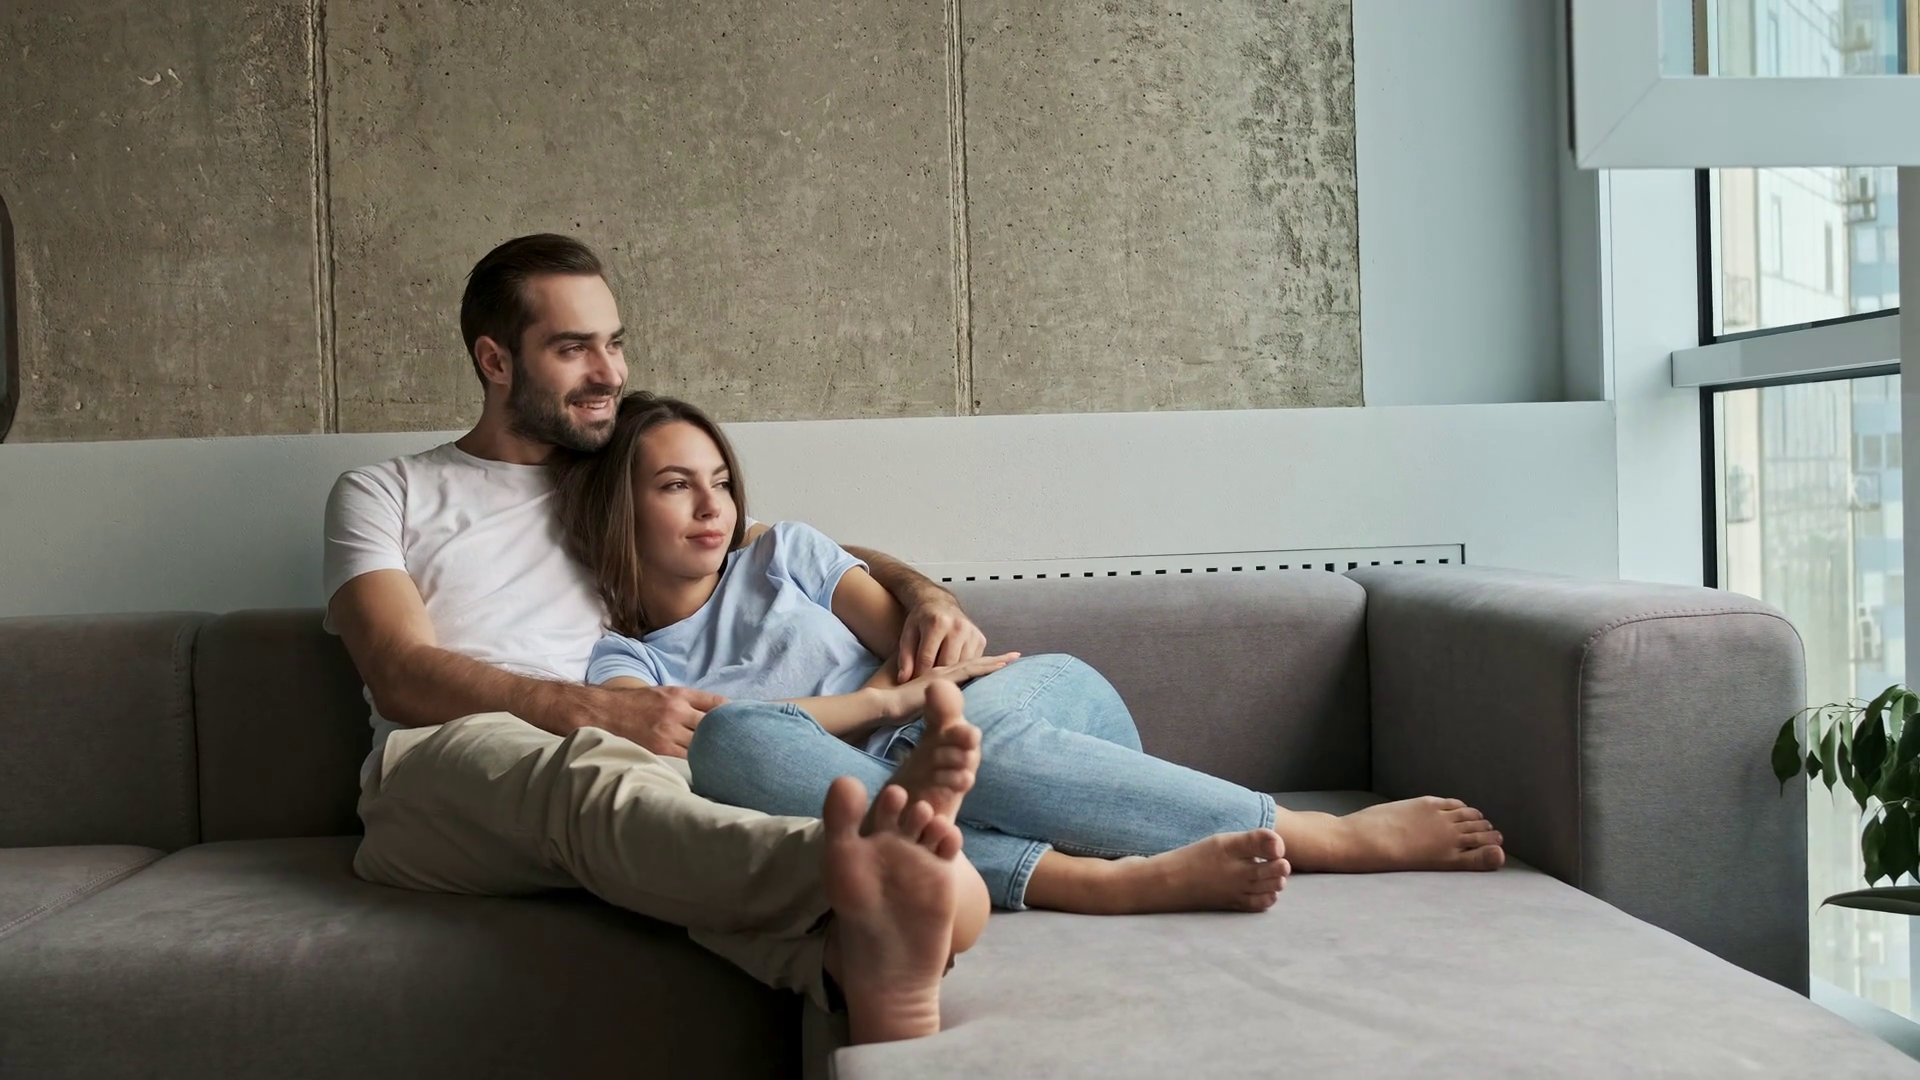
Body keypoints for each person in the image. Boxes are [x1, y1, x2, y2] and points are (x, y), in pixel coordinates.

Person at [325, 232, 994, 1044]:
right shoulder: (386, 492)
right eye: (573, 348)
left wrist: (924, 593)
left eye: (614, 343)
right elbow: (398, 671)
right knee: (594, 778)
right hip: (440, 774)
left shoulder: (615, 483)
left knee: (655, 829)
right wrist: (593, 711)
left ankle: (850, 963)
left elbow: (769, 544)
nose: (609, 372)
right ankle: (853, 868)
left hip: (637, 764)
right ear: (495, 361)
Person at [551, 393, 1508, 917]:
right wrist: (882, 706)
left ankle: (1315, 834)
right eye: (675, 486)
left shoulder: (786, 554)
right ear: (617, 510)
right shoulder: (620, 663)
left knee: (972, 737)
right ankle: (1099, 883)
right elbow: (718, 737)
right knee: (734, 747)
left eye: (720, 480)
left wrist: (904, 697)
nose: (713, 505)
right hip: (876, 783)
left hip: (1015, 725)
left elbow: (925, 660)